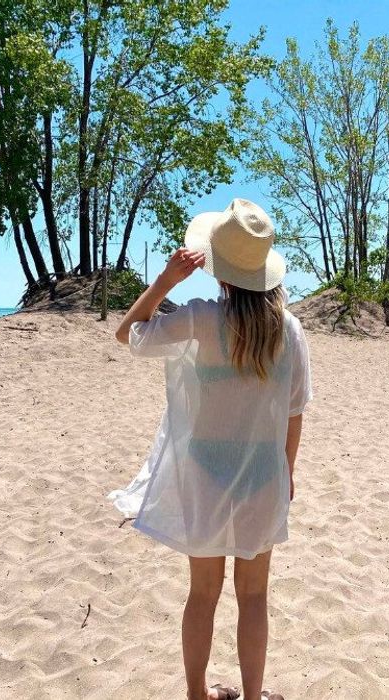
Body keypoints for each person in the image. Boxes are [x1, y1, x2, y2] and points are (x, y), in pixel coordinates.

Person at [110, 198, 311, 700]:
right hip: (264, 476)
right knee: (255, 595)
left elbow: (127, 333)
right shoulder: (289, 329)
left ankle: (198, 694)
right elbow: (295, 411)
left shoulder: (200, 318)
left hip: (204, 471)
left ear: (219, 271)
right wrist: (286, 472)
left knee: (203, 593)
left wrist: (165, 282)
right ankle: (253, 693)